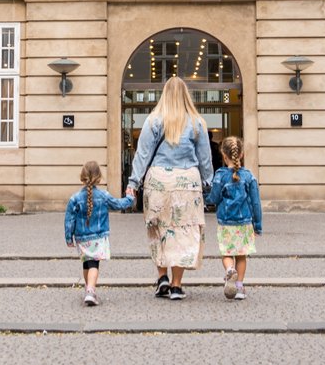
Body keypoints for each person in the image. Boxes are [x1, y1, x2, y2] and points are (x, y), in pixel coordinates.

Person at [126, 76, 214, 301]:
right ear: (186, 95)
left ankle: (162, 276)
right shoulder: (197, 122)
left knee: (158, 228)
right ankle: (176, 285)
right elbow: (205, 159)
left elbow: (142, 155)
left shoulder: (153, 120)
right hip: (187, 182)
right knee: (183, 232)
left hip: (158, 182)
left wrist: (133, 183)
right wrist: (208, 183)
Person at [64, 160, 134, 306]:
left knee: (86, 263)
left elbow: (69, 220)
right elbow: (118, 204)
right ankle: (90, 291)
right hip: (98, 237)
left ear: (82, 176)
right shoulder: (103, 195)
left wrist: (68, 237)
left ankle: (89, 288)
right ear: (99, 178)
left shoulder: (74, 198)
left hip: (81, 237)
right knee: (94, 264)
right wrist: (130, 198)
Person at [205, 135, 262, 301]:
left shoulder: (220, 175)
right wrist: (257, 225)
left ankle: (230, 270)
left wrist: (207, 200)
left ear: (224, 155)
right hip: (245, 223)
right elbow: (256, 203)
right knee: (242, 255)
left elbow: (214, 198)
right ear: (241, 154)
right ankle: (239, 287)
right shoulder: (249, 176)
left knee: (227, 253)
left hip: (225, 223)